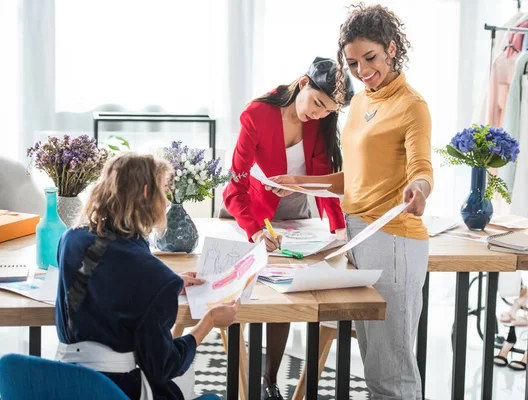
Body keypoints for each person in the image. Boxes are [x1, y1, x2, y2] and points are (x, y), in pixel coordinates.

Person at [269, 4, 433, 400]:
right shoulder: (361, 103)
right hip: (358, 234)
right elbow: (355, 179)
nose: (362, 71)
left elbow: (421, 167)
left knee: (390, 371)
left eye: (370, 58)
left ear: (392, 49)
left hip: (394, 239)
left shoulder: (412, 106)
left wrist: (420, 189)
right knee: (373, 360)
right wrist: (300, 182)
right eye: (353, 62)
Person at [219, 57, 354, 399]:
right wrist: (255, 231)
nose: (320, 114)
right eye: (318, 104)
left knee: (290, 287)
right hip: (256, 212)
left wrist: (338, 229)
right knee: (265, 289)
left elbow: (323, 180)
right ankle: (252, 375)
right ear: (304, 83)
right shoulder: (257, 114)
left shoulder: (321, 123)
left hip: (297, 213)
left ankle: (270, 382)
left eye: (329, 111)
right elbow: (233, 188)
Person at [54, 152, 239, 400]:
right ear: (145, 193)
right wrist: (208, 322)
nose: (165, 200)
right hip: (119, 390)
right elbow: (164, 366)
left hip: (65, 385)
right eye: (163, 191)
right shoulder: (155, 277)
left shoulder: (70, 239)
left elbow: (107, 275)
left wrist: (168, 283)